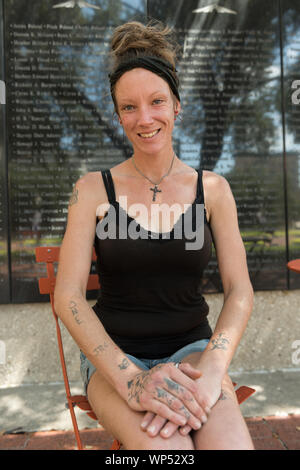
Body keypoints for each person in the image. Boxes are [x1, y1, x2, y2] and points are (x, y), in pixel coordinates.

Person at [54, 20, 254, 450]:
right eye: (129, 107)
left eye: (157, 101)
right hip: (115, 360)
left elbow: (240, 291)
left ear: (177, 105)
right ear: (117, 114)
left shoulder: (214, 190)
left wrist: (215, 370)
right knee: (169, 454)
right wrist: (132, 382)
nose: (144, 119)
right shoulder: (91, 190)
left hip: (196, 354)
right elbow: (67, 297)